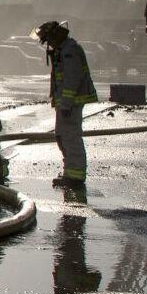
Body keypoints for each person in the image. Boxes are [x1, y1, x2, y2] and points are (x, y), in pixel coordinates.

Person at [37, 20, 97, 188]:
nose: (48, 44)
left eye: (48, 40)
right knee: (62, 136)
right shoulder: (63, 49)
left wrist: (66, 104)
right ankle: (70, 173)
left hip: (71, 104)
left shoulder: (69, 51)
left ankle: (75, 177)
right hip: (66, 103)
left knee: (70, 137)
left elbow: (72, 78)